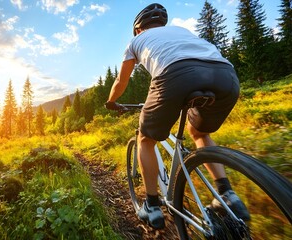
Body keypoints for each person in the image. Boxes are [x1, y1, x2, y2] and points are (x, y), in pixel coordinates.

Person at [105, 3, 249, 229]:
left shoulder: (135, 41)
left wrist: (111, 101)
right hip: (225, 75)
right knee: (199, 132)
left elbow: (120, 81)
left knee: (145, 139)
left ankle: (152, 205)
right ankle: (226, 192)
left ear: (138, 29)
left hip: (176, 76)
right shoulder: (182, 31)